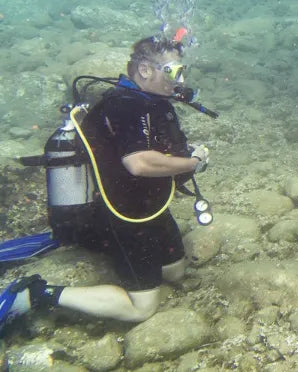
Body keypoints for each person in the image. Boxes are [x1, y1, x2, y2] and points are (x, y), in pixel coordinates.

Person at [2, 36, 210, 324]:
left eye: (181, 70)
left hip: (147, 206)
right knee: (143, 308)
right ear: (146, 71)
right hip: (118, 214)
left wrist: (185, 158)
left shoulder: (153, 102)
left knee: (175, 272)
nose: (180, 79)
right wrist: (193, 162)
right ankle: (35, 293)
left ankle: (84, 241)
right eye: (173, 71)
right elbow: (137, 163)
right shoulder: (124, 105)